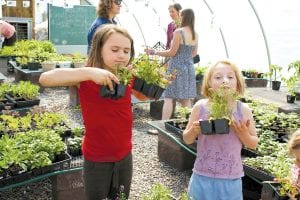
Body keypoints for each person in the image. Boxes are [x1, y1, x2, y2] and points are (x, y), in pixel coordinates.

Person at [39, 24, 135, 200]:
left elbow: (144, 97)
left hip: (124, 156)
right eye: (114, 49)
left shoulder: (128, 77)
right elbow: (45, 79)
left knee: (121, 197)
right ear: (99, 50)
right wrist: (88, 72)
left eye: (126, 51)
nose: (121, 55)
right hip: (97, 159)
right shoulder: (86, 78)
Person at [183, 60, 259, 200]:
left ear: (237, 83)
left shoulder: (242, 110)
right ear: (209, 83)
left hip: (231, 179)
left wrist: (244, 134)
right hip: (201, 175)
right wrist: (194, 131)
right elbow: (187, 139)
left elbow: (253, 143)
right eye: (218, 77)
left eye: (230, 77)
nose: (225, 81)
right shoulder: (201, 107)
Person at [145, 8, 198, 120]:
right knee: (186, 99)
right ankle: (186, 126)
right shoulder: (195, 34)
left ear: (183, 16)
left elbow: (172, 52)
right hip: (189, 67)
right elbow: (194, 53)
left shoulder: (178, 32)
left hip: (176, 67)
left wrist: (155, 51)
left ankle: (163, 125)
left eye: (180, 15)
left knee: (169, 98)